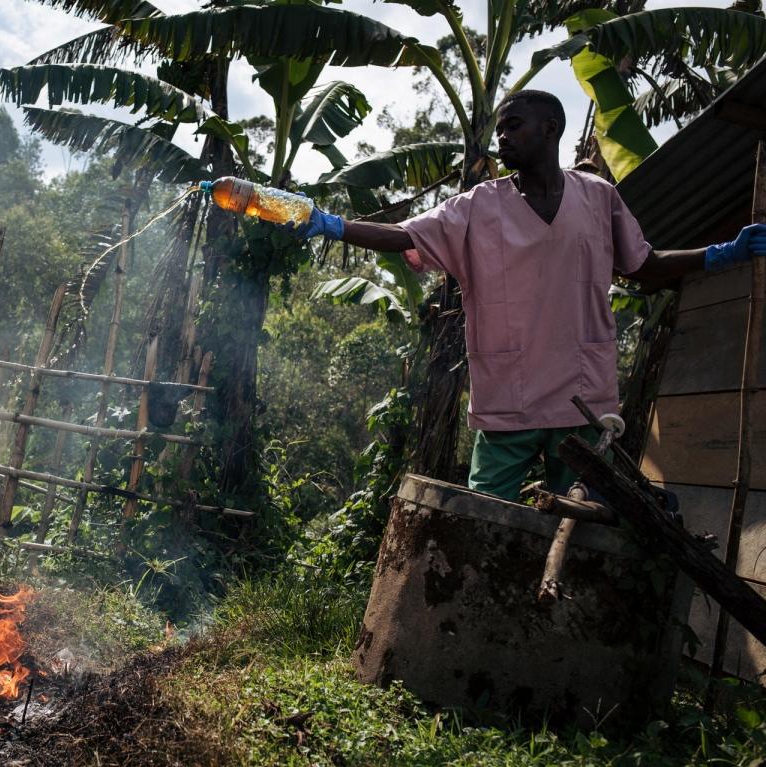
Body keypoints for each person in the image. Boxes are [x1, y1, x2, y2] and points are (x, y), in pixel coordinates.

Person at [291, 89, 766, 501]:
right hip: (508, 398)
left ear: (550, 129)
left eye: (514, 126)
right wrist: (332, 225)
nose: (502, 137)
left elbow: (644, 264)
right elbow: (403, 236)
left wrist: (721, 253)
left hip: (583, 395)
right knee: (484, 519)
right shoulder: (476, 206)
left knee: (578, 519)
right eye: (500, 129)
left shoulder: (598, 197)